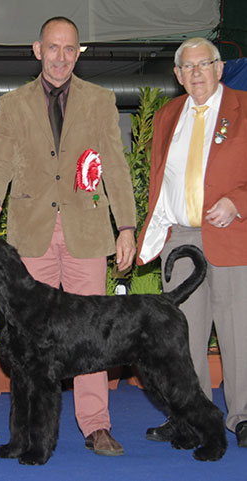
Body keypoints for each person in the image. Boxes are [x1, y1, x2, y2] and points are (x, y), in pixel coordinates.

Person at [0, 16, 136, 456]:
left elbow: (116, 168)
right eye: (53, 48)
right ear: (37, 49)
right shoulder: (13, 103)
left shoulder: (102, 100)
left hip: (87, 230)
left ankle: (96, 425)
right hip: (31, 236)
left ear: (78, 53)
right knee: (28, 343)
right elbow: (1, 158)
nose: (61, 57)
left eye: (70, 49)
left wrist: (126, 226)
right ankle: (26, 430)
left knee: (89, 335)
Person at [137, 37, 247, 448]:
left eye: (205, 64)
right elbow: (159, 181)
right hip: (180, 238)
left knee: (239, 333)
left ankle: (243, 415)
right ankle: (189, 415)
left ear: (220, 69)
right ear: (178, 75)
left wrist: (237, 202)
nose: (197, 72)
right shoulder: (167, 115)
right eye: (189, 67)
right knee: (180, 338)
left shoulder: (244, 108)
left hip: (234, 235)